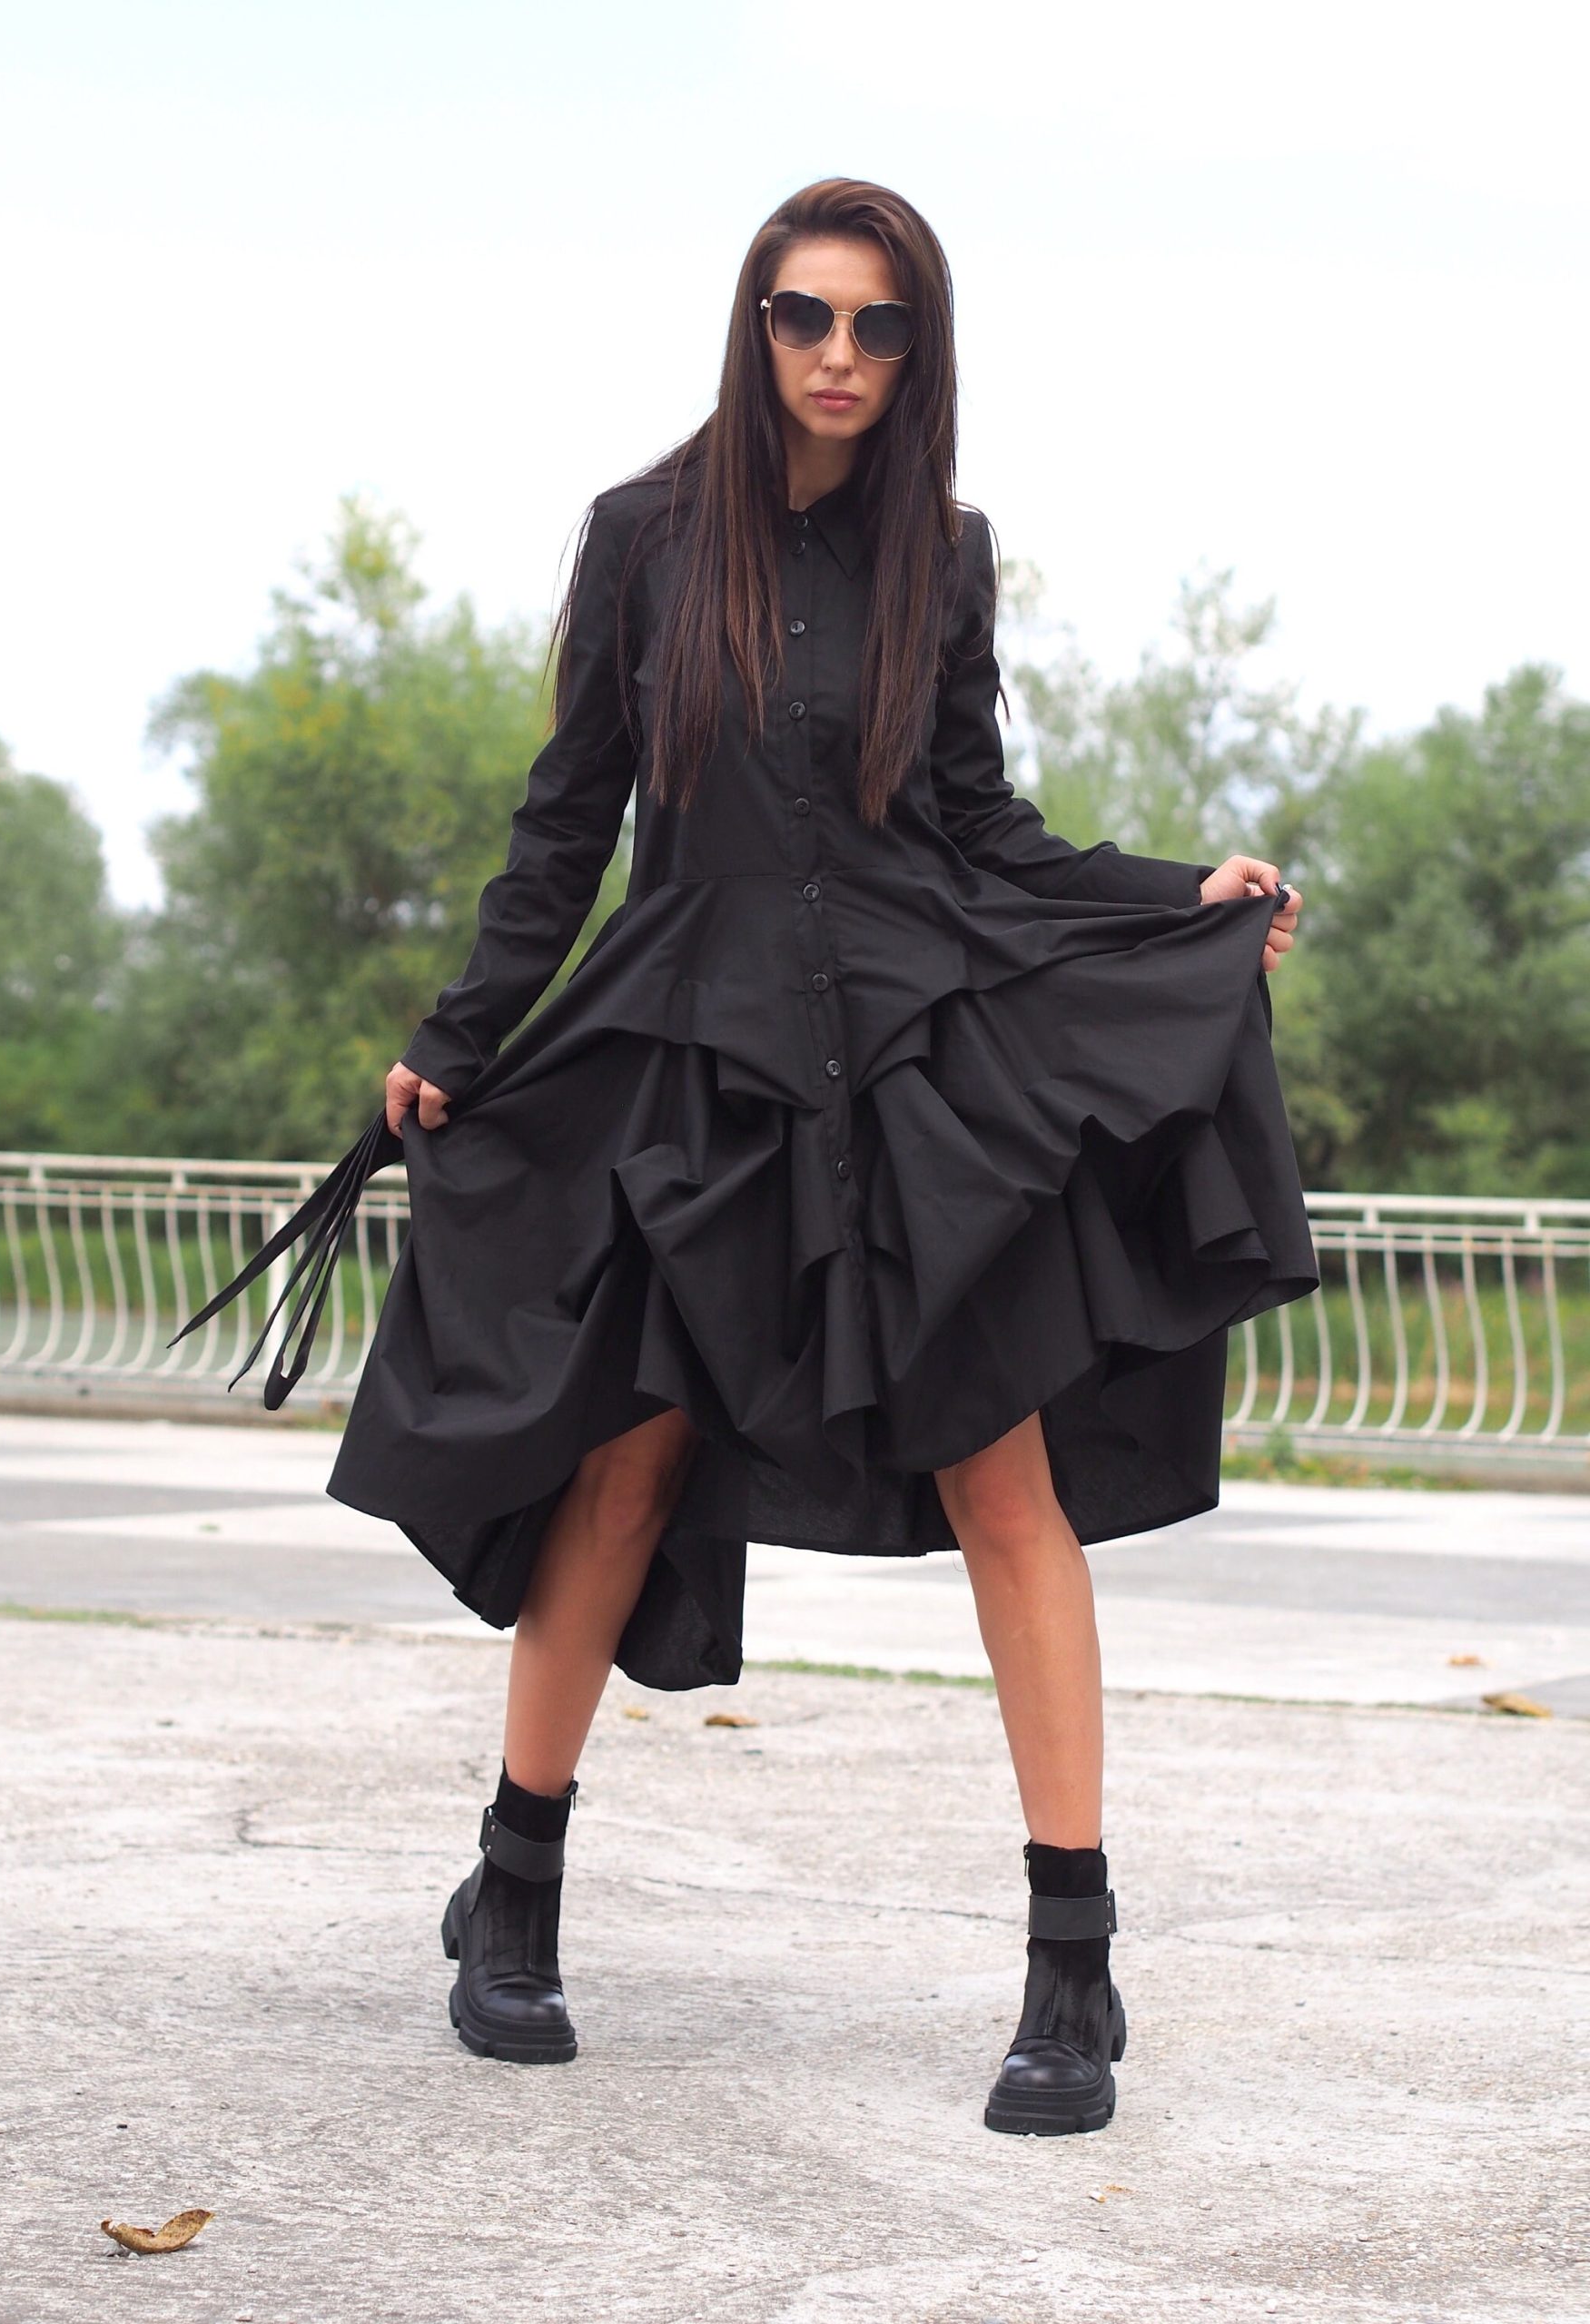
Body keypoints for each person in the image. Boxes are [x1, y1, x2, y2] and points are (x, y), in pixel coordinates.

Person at [182, 178, 1316, 2136]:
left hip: (912, 1050)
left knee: (1005, 1479)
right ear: (756, 320)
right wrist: (456, 1040)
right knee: (622, 1461)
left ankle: (1073, 1962)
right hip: (689, 1055)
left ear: (918, 347)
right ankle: (514, 1894)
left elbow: (978, 822)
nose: (839, 355)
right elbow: (570, 821)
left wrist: (1172, 897)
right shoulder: (645, 535)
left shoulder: (942, 551)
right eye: (807, 315)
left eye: (879, 325)